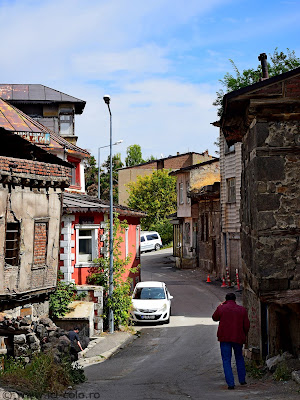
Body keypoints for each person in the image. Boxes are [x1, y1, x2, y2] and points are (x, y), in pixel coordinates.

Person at [212, 293, 250, 390]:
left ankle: (231, 383)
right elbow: (246, 325)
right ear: (235, 299)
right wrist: (244, 335)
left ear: (226, 299)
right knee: (239, 358)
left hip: (225, 338)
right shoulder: (242, 310)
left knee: (226, 360)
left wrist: (221, 305)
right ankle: (242, 380)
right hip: (238, 337)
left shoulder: (222, 308)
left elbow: (214, 317)